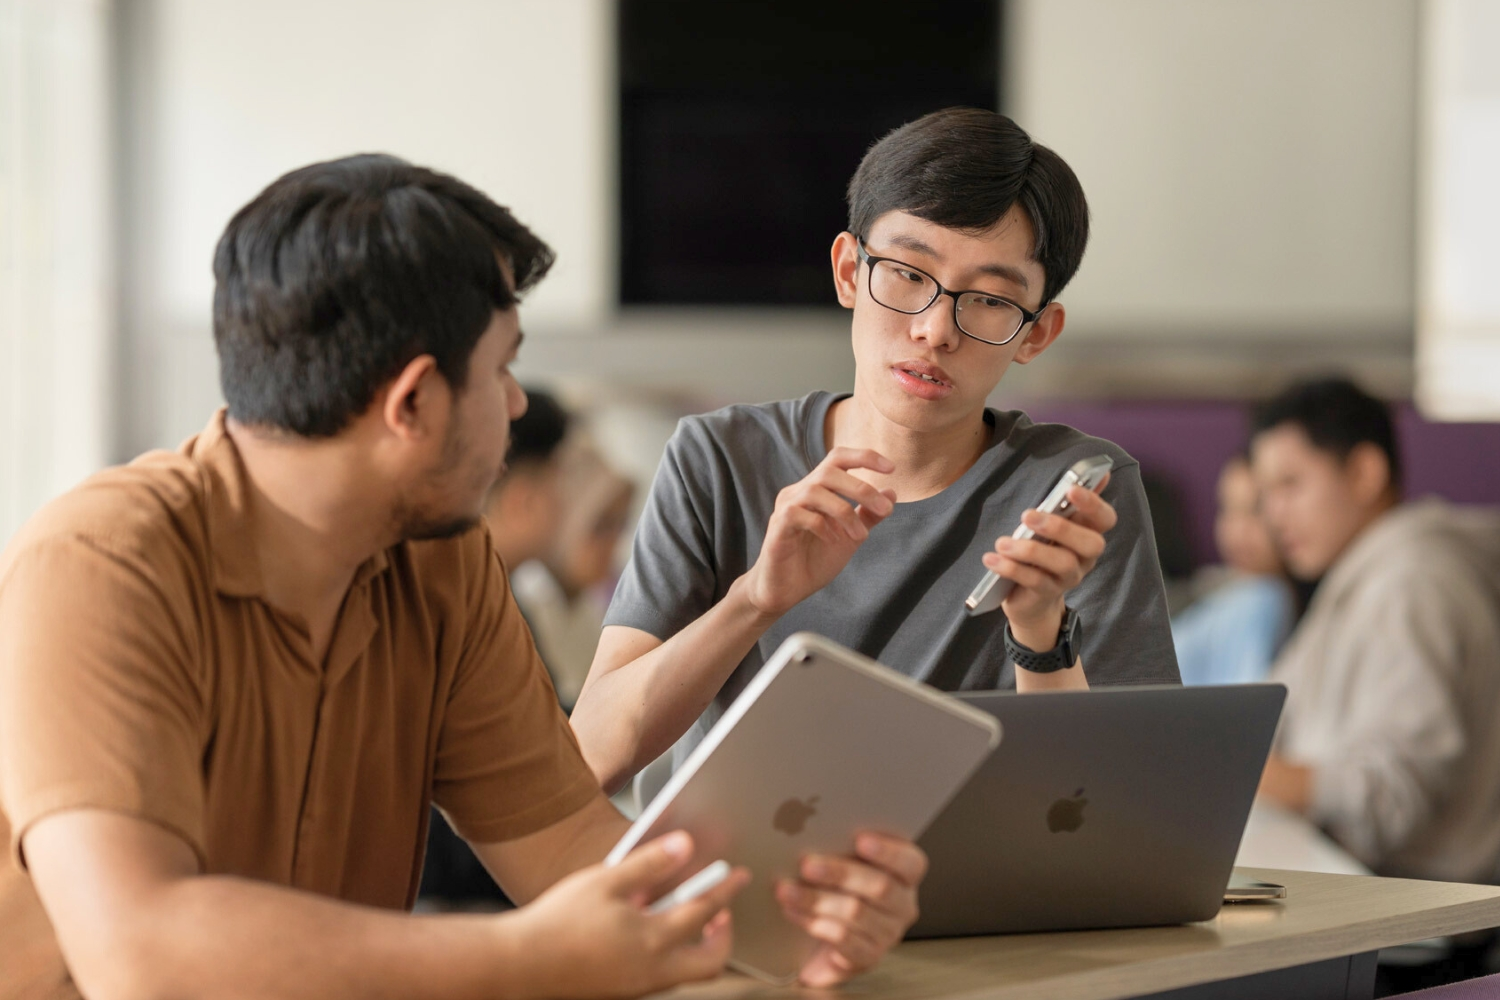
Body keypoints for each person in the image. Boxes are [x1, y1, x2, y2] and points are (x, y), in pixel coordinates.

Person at [0, 155, 923, 1000]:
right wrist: (530, 958)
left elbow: (568, 847)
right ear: (413, 404)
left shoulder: (443, 562)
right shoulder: (99, 564)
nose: (519, 403)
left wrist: (783, 913)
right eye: (504, 367)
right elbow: (139, 955)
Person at [570, 108, 1182, 805]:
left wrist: (1040, 632)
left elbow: (1121, 805)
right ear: (847, 272)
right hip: (721, 893)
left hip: (967, 904)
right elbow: (589, 758)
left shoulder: (1071, 499)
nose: (934, 330)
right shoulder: (719, 460)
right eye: (907, 273)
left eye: (987, 300)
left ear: (1037, 335)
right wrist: (754, 601)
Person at [1250, 377, 1500, 882]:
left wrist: (1232, 770)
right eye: (1265, 494)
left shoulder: (1410, 583)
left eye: (1290, 485)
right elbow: (1268, 720)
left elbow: (1391, 799)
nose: (1273, 515)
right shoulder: (1359, 577)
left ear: (1364, 472)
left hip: (1421, 927)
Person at [512, 438, 636, 710]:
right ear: (570, 520)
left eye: (621, 525)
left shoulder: (587, 610)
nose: (613, 543)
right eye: (602, 525)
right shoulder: (525, 598)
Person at [1171, 455, 1297, 686]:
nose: (1237, 531)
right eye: (1227, 509)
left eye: (1255, 510)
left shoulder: (1264, 598)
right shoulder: (1218, 589)